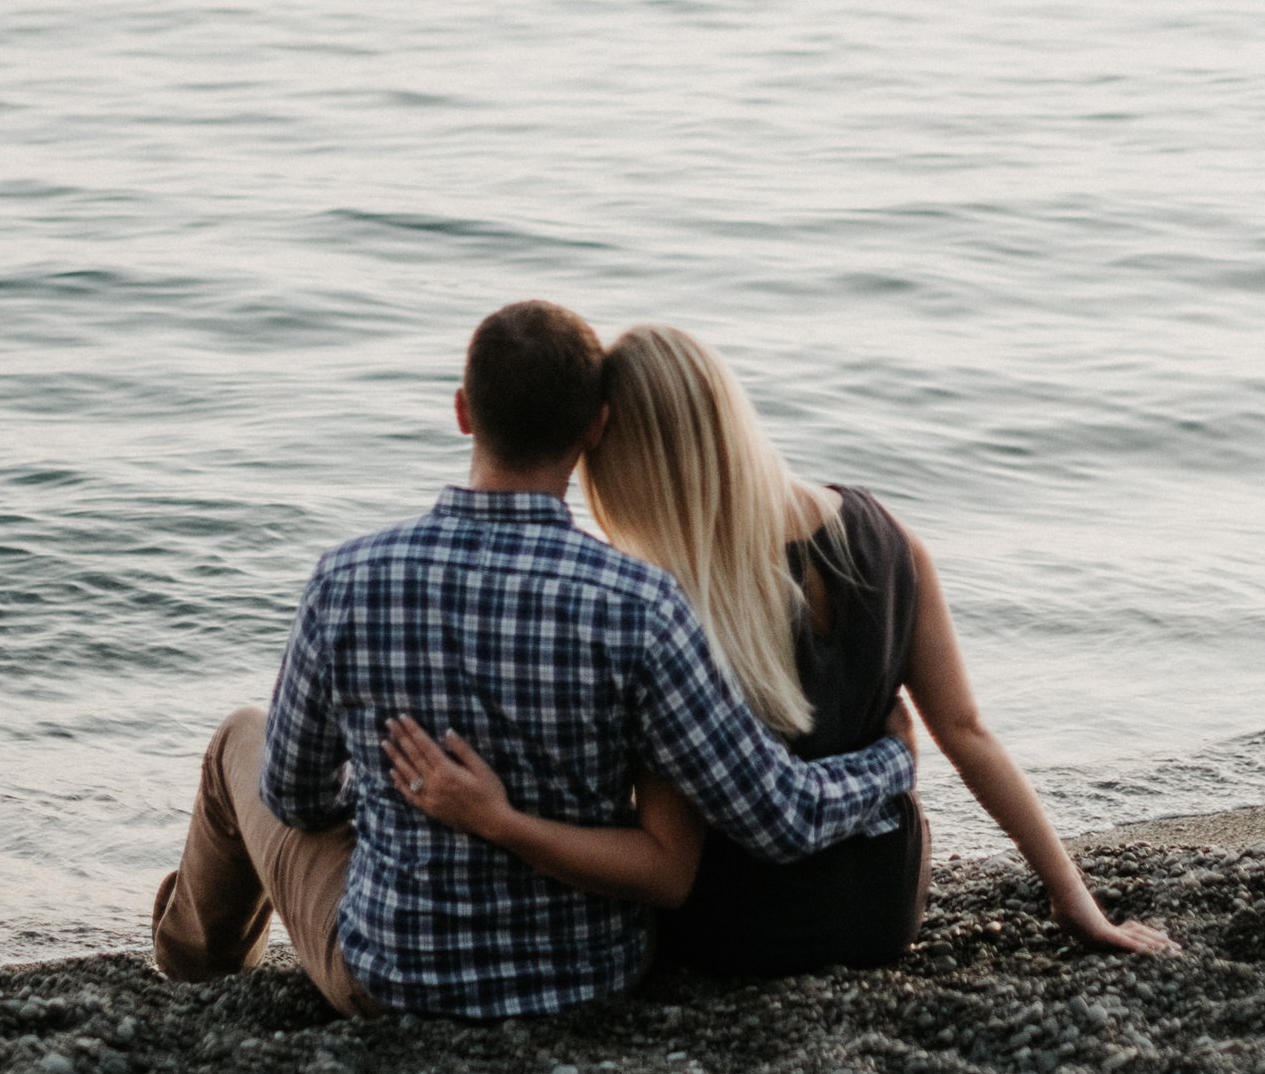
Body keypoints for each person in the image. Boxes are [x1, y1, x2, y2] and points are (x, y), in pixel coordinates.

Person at [151, 300, 919, 1018]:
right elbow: (778, 815)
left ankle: (191, 969)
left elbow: (294, 798)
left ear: (461, 411)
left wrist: (399, 787)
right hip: (592, 976)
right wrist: (891, 760)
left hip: (394, 973)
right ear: (595, 429)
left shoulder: (348, 581)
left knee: (239, 742)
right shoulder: (644, 604)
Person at [385, 324, 1175, 973]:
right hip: (879, 914)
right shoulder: (888, 537)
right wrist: (1075, 898)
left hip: (729, 934)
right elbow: (967, 734)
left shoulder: (665, 603)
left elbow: (678, 846)